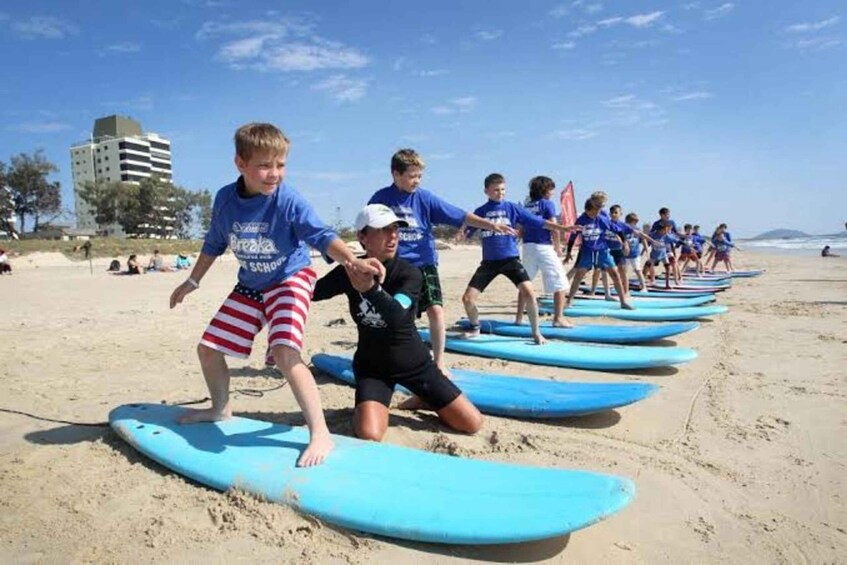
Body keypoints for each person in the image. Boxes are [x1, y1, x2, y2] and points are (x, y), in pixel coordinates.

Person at [168, 122, 383, 467]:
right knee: (208, 349)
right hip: (251, 284)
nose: (274, 174)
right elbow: (213, 244)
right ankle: (221, 409)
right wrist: (191, 282)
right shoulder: (225, 200)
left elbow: (320, 233)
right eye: (264, 165)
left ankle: (320, 433)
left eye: (280, 165)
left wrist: (351, 260)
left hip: (290, 278)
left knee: (285, 352)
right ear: (240, 163)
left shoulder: (288, 199)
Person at [313, 204, 483, 440]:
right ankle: (372, 405)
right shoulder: (349, 270)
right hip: (373, 368)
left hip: (415, 365)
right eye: (383, 230)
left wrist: (371, 290)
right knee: (369, 434)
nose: (393, 235)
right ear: (363, 237)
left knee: (471, 423)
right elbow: (310, 292)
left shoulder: (409, 273)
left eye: (395, 229)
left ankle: (425, 398)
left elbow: (397, 316)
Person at [368, 149, 516, 376]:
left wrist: (491, 225)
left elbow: (460, 214)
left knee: (436, 311)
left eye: (419, 176)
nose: (416, 181)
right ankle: (396, 357)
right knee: (398, 315)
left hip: (425, 263)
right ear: (395, 174)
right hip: (396, 266)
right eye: (411, 176)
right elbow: (367, 229)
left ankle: (439, 362)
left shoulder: (425, 198)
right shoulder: (381, 199)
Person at [462, 173, 578, 343]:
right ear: (486, 191)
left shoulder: (513, 208)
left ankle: (536, 332)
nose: (500, 193)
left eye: (502, 189)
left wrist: (563, 228)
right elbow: (467, 231)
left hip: (510, 260)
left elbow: (540, 222)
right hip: (489, 263)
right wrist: (462, 233)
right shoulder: (481, 211)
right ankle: (474, 327)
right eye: (495, 190)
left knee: (529, 293)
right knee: (467, 299)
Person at [515, 176, 573, 328]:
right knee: (560, 282)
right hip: (543, 246)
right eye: (551, 189)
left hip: (527, 247)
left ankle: (519, 318)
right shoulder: (547, 204)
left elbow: (520, 230)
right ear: (544, 190)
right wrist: (558, 247)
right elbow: (553, 226)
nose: (552, 192)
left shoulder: (527, 206)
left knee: (525, 282)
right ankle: (558, 318)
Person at [564, 195, 632, 309]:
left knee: (615, 274)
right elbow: (572, 237)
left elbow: (618, 230)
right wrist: (568, 252)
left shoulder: (602, 219)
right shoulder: (581, 220)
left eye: (599, 211)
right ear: (588, 210)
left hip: (602, 251)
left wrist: (625, 243)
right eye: (595, 212)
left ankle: (623, 302)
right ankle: (569, 300)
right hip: (587, 251)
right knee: (579, 276)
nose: (597, 214)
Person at [645, 222, 676, 288]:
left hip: (663, 255)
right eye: (665, 230)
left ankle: (667, 285)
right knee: (647, 266)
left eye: (667, 230)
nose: (666, 232)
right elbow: (645, 239)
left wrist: (685, 244)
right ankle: (642, 281)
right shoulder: (653, 235)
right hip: (654, 255)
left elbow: (676, 240)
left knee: (668, 268)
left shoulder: (666, 236)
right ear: (660, 230)